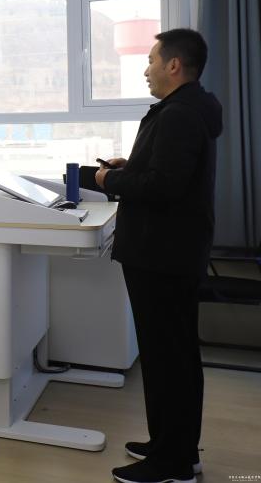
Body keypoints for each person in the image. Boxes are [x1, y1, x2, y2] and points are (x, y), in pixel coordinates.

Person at [95, 29, 221, 483]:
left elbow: (163, 187)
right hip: (171, 252)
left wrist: (108, 181)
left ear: (173, 65)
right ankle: (174, 445)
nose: (146, 69)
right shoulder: (188, 109)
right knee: (172, 355)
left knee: (169, 358)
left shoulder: (179, 115)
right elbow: (168, 174)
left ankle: (173, 463)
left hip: (161, 255)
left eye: (151, 60)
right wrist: (131, 168)